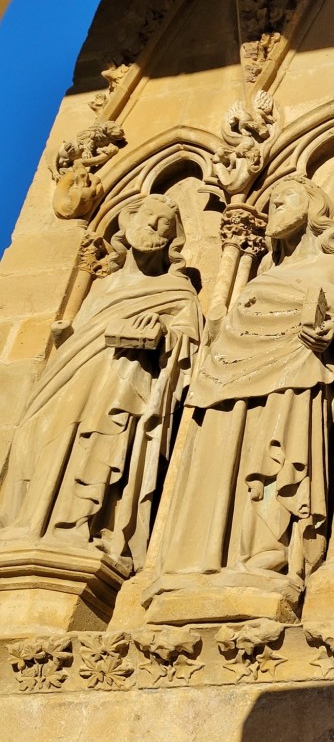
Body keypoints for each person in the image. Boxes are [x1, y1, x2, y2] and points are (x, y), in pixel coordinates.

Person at [154, 176, 334, 586]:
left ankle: (268, 552)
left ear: (312, 209)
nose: (273, 209)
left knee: (275, 454)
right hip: (229, 377)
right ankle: (205, 556)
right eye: (271, 203)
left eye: (284, 200)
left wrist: (332, 330)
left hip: (294, 374)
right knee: (223, 455)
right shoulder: (261, 276)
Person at [0, 194, 202, 571]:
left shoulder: (177, 292)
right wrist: (67, 336)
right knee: (35, 439)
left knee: (97, 443)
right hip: (67, 379)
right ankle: (27, 523)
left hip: (122, 381)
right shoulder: (100, 287)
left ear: (172, 240)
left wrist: (162, 333)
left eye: (163, 223)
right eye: (147, 216)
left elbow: (188, 344)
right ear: (127, 223)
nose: (153, 226)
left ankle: (78, 527)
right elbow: (82, 335)